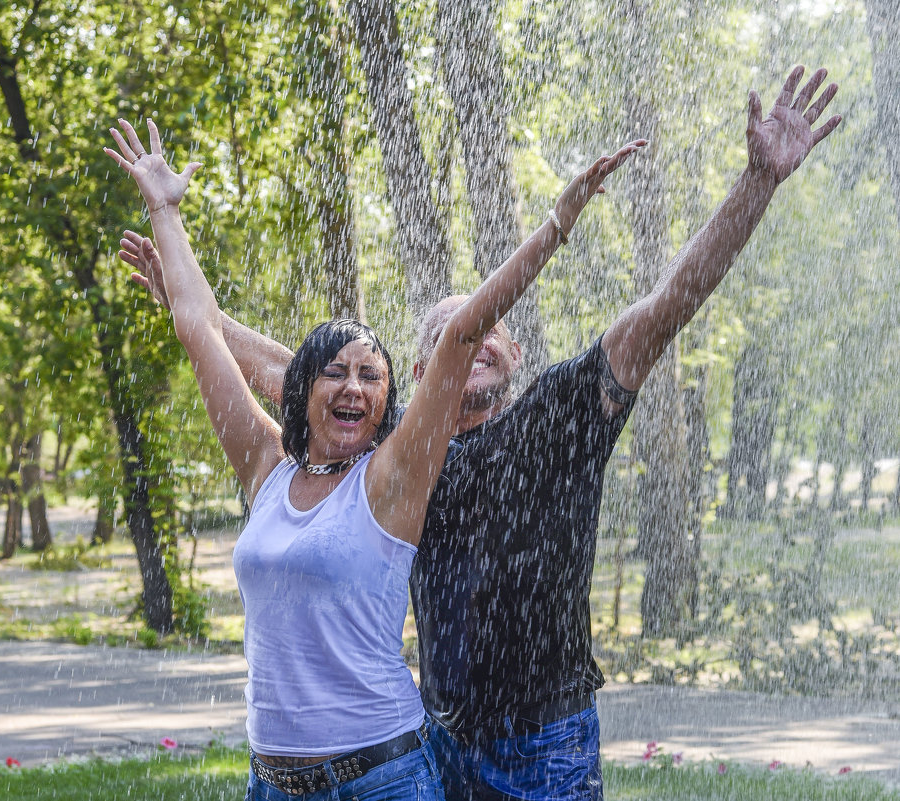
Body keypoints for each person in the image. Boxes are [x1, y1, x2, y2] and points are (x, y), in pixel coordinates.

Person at [120, 65, 841, 801]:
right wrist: (187, 298)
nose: (474, 339)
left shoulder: (561, 415)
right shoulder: (394, 447)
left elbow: (665, 307)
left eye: (489, 327)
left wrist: (758, 183)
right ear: (428, 368)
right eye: (448, 336)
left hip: (545, 741)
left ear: (514, 350)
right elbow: (289, 371)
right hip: (438, 736)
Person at [106, 117, 643, 800]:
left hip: (381, 776)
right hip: (271, 781)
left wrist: (557, 224)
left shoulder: (393, 478)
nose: (352, 385)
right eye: (334, 371)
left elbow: (461, 334)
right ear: (301, 391)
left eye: (371, 375)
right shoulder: (265, 468)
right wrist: (164, 210)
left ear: (394, 403)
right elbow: (198, 326)